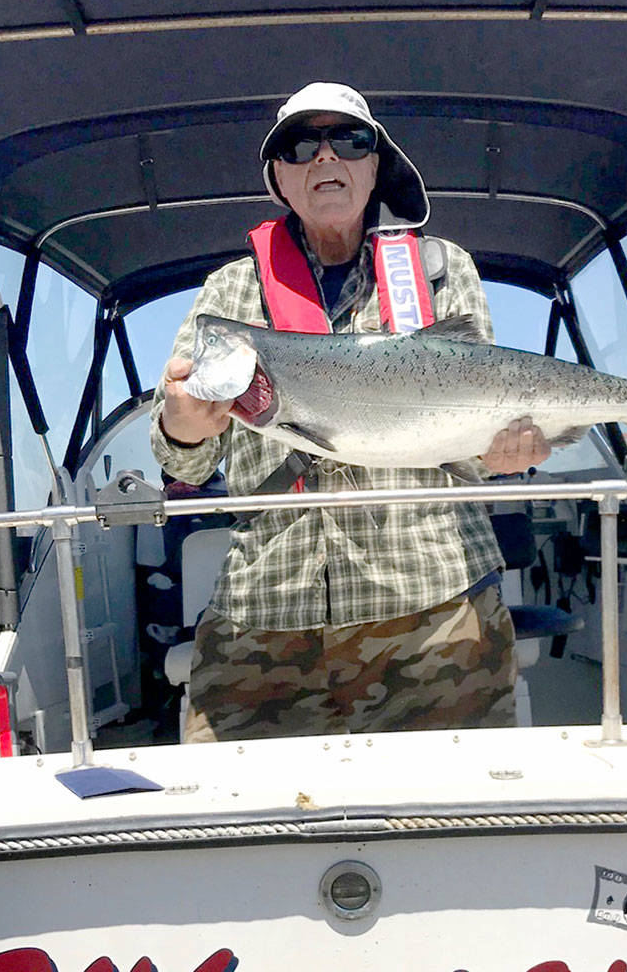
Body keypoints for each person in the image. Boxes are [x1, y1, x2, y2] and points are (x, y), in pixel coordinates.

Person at [150, 82, 550, 743]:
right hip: (265, 614)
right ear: (278, 178)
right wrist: (182, 425)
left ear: (377, 165)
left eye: (351, 140)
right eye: (300, 145)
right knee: (233, 821)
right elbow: (182, 459)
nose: (325, 156)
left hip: (435, 612)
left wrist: (507, 452)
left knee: (448, 826)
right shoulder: (229, 291)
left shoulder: (444, 269)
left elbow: (478, 429)